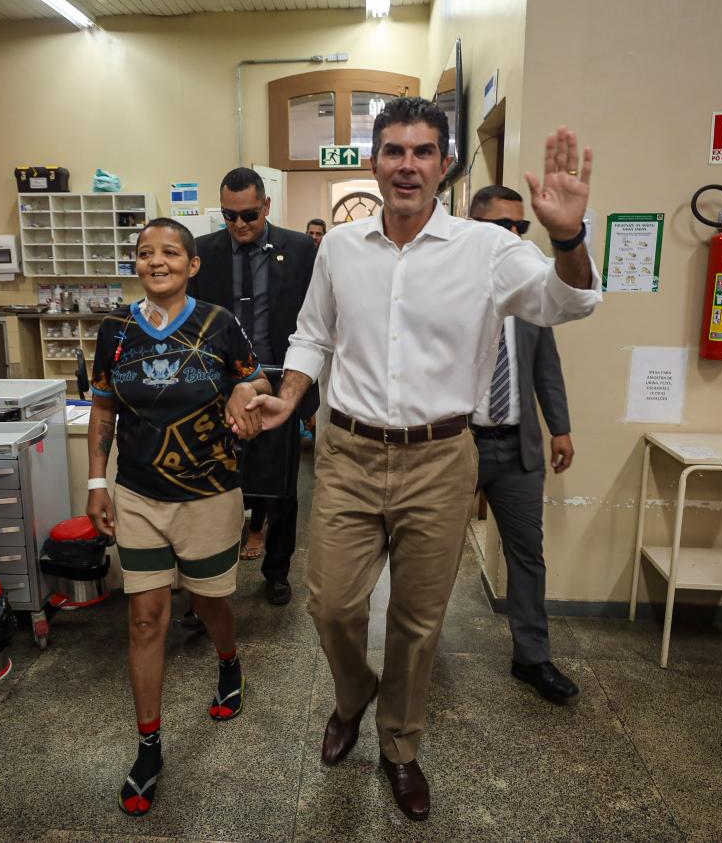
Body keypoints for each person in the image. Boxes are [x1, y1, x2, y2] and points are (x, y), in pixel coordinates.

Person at [248, 97, 601, 821]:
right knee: (331, 604)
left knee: (416, 621)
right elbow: (312, 335)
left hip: (439, 459)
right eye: (394, 151)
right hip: (348, 451)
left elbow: (567, 303)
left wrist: (569, 237)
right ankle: (354, 692)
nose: (407, 165)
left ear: (444, 166)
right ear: (375, 162)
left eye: (422, 152)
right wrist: (288, 396)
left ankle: (400, 744)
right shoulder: (340, 249)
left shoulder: (487, 248)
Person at [85, 217, 271, 817]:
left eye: (169, 252)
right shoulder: (115, 330)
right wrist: (96, 482)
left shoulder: (218, 323)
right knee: (145, 618)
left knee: (210, 601)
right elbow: (104, 409)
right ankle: (148, 748)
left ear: (192, 265)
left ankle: (229, 660)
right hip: (139, 494)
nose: (156, 261)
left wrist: (246, 395)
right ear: (135, 264)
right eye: (145, 252)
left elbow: (255, 380)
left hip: (209, 493)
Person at [468, 184, 579, 704]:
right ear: (474, 228)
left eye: (520, 226)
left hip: (517, 448)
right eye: (501, 226)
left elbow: (546, 366)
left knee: (527, 555)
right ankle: (419, 654)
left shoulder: (532, 291)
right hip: (456, 445)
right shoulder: (453, 286)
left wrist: (560, 427)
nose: (513, 235)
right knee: (429, 557)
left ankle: (532, 657)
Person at [187, 167, 318, 606]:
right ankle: (207, 582)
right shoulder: (203, 253)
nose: (239, 224)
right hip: (220, 386)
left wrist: (307, 397)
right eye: (230, 216)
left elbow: (315, 320)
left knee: (281, 488)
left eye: (248, 215)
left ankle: (277, 571)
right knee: (213, 485)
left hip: (280, 381)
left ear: (266, 206)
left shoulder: (299, 249)